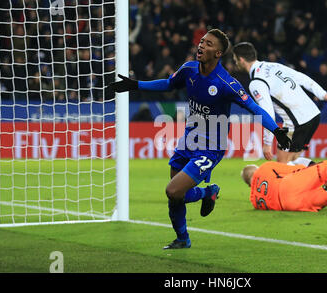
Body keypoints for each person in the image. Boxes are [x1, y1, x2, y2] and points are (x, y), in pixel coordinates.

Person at [108, 29, 291, 249]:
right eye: (202, 41)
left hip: (211, 148)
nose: (202, 45)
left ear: (218, 53)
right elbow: (168, 84)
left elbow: (254, 107)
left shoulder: (226, 83)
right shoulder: (189, 69)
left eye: (209, 43)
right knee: (176, 197)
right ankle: (183, 238)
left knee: (173, 190)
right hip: (188, 140)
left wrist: (275, 129)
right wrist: (136, 85)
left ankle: (207, 192)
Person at [232, 42, 327, 163]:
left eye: (235, 59)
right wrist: (323, 94)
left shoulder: (256, 82)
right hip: (313, 115)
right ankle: (324, 174)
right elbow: (300, 77)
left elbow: (267, 113)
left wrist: (267, 143)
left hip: (298, 122)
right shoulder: (273, 66)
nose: (235, 62)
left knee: (283, 168)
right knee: (293, 162)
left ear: (241, 59)